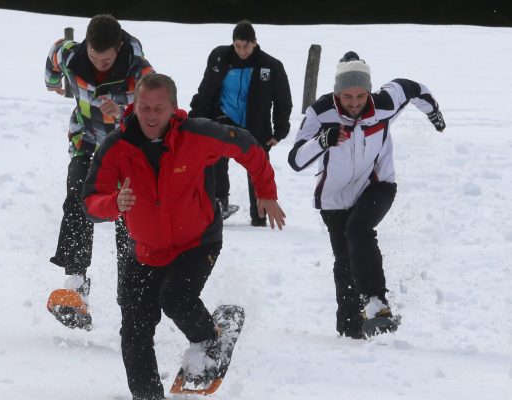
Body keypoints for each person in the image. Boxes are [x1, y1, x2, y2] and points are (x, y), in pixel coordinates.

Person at [82, 73, 286, 400]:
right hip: (145, 250)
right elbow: (90, 203)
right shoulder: (117, 146)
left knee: (175, 299)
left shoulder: (197, 134)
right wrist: (113, 204)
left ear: (173, 108)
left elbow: (247, 145)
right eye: (144, 107)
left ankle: (208, 338)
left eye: (158, 108)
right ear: (134, 107)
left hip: (197, 241)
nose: (150, 115)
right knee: (134, 331)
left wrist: (265, 190)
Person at [288, 51, 446, 339]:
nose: (355, 103)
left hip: (378, 184)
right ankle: (350, 327)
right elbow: (296, 159)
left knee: (359, 230)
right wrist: (323, 140)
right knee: (345, 261)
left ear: (368, 91)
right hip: (334, 200)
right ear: (337, 93)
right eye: (347, 97)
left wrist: (433, 113)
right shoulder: (320, 112)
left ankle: (376, 303)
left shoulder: (384, 103)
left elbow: (413, 88)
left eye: (360, 96)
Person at [44, 14, 154, 329]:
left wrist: (122, 114)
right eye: (94, 57)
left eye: (105, 60)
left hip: (126, 148)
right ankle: (75, 285)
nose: (99, 64)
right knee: (78, 198)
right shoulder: (70, 54)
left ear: (119, 49)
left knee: (127, 216)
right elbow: (53, 55)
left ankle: (131, 298)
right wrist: (52, 82)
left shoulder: (141, 73)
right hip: (85, 139)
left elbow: (159, 118)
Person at [189, 20, 292, 226]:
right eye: (237, 46)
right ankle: (220, 203)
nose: (242, 51)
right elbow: (206, 89)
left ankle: (259, 216)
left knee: (257, 167)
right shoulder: (219, 57)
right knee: (216, 159)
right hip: (223, 118)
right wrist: (196, 120)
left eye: (246, 46)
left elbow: (283, 100)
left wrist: (280, 130)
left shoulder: (271, 66)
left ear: (254, 43)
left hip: (256, 125)